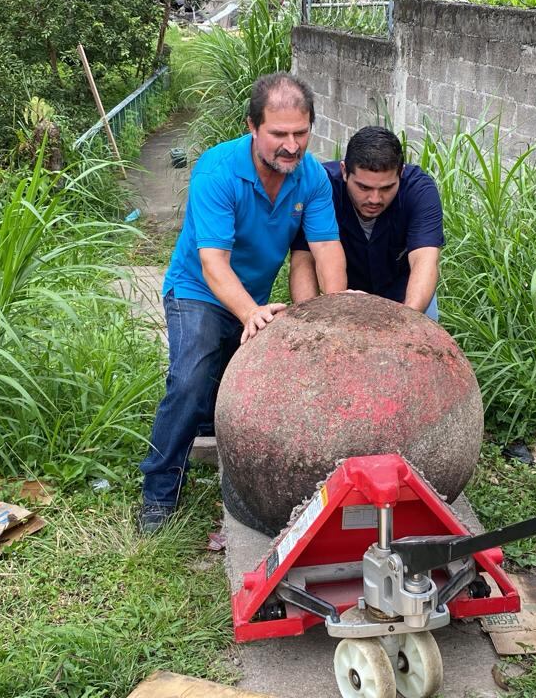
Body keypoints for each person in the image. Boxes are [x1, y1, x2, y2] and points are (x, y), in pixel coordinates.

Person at [139, 72, 347, 533]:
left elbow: (326, 248)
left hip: (249, 294)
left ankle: (224, 448)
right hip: (198, 289)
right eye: (278, 134)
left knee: (244, 386)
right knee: (191, 379)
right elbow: (213, 263)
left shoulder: (311, 176)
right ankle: (158, 491)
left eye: (300, 133)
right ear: (252, 126)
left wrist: (335, 317)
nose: (291, 146)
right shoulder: (217, 171)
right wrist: (250, 313)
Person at [287, 126, 443, 319]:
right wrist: (309, 320)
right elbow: (303, 259)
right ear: (344, 171)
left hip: (405, 293)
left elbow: (425, 260)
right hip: (343, 292)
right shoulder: (321, 187)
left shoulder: (419, 192)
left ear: (401, 173)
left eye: (387, 188)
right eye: (363, 187)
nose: (375, 199)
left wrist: (408, 319)